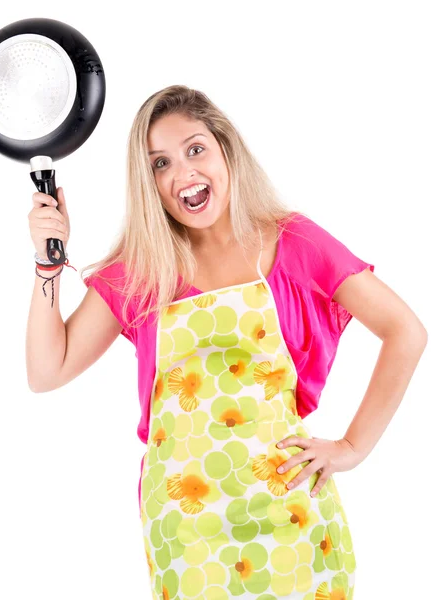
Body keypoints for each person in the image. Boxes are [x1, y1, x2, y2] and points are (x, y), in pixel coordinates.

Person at [26, 85, 427, 599]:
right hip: (187, 531)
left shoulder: (295, 242)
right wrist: (46, 265)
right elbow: (46, 369)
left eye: (195, 149)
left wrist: (352, 447)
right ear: (148, 184)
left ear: (225, 150)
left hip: (290, 512)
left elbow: (406, 331)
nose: (184, 174)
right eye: (160, 164)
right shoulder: (142, 270)